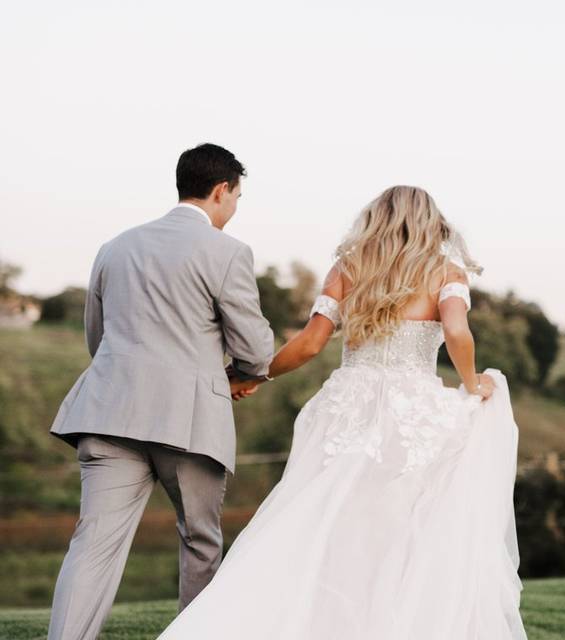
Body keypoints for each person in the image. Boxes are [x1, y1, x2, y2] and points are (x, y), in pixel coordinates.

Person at [159, 185, 527, 639]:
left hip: (347, 407)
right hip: (414, 416)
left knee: (328, 520)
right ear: (433, 223)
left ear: (376, 219)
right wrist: (472, 384)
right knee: (404, 528)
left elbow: (311, 343)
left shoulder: (350, 269)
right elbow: (456, 330)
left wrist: (257, 375)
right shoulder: (445, 273)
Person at [47, 143, 275, 640]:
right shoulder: (227, 251)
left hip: (109, 412)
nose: (234, 208)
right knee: (200, 542)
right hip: (189, 422)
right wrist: (238, 375)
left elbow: (97, 337)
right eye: (236, 197)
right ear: (221, 190)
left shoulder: (115, 246)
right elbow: (256, 349)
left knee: (92, 546)